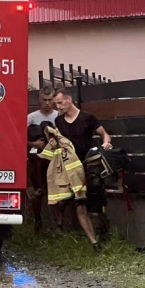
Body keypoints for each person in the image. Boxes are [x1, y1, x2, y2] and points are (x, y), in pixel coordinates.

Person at [51, 87, 112, 251]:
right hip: (72, 170)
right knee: (80, 205)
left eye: (60, 103)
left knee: (96, 208)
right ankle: (94, 243)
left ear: (68, 99)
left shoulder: (87, 118)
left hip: (90, 167)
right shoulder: (58, 122)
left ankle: (104, 231)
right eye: (56, 104)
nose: (58, 107)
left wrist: (106, 143)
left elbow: (104, 134)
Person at [26, 86, 58, 230]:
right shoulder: (32, 117)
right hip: (36, 160)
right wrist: (34, 143)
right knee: (38, 192)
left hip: (54, 160)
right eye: (44, 100)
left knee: (56, 192)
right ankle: (37, 222)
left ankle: (58, 225)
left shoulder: (58, 117)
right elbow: (19, 137)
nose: (47, 103)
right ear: (39, 100)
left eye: (49, 100)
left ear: (54, 100)